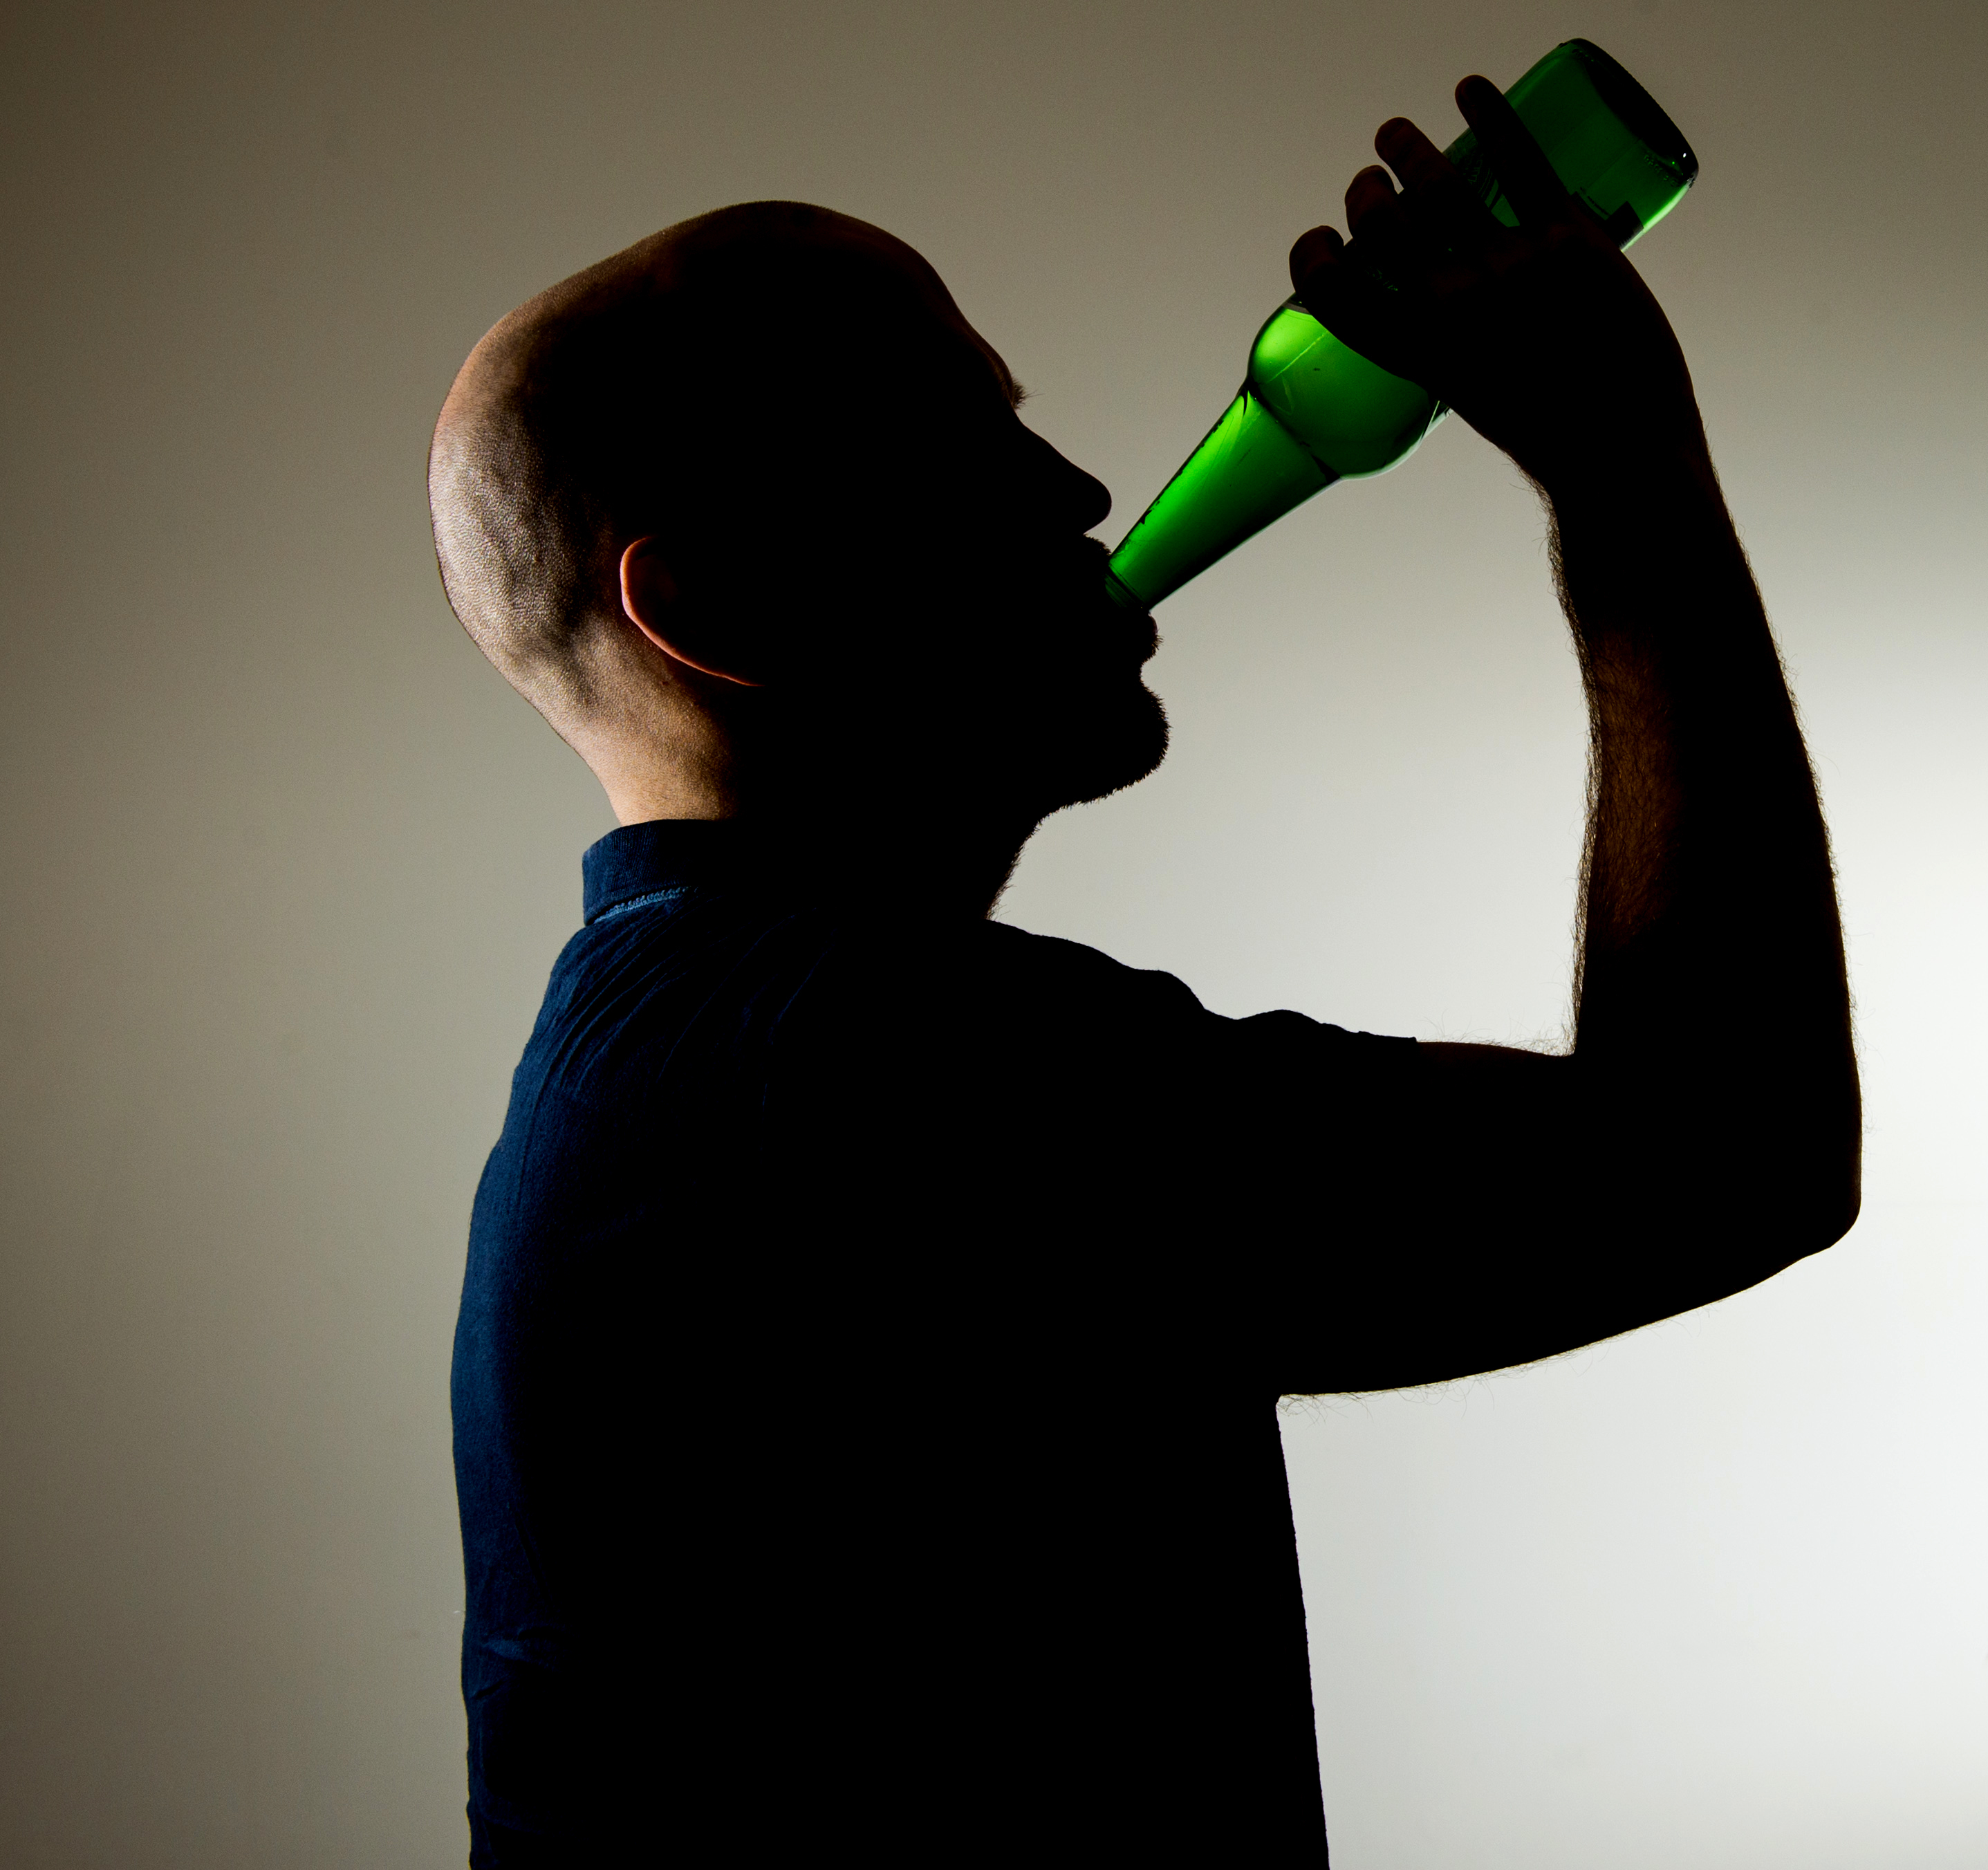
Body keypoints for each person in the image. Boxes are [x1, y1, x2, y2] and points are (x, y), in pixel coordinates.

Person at [427, 75, 1857, 1867]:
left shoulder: (673, 1059)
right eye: (952, 442)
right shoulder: (870, 1067)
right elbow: (1726, 1158)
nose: (1082, 490)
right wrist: (1622, 470)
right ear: (720, 609)